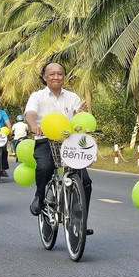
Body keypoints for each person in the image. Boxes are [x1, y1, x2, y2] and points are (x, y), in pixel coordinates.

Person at [24, 62, 93, 235]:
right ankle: (40, 197)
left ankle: (80, 220)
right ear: (45, 77)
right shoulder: (37, 96)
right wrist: (33, 125)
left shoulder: (72, 97)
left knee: (85, 181)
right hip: (45, 140)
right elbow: (30, 114)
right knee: (45, 168)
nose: (56, 77)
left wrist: (80, 119)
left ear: (64, 76)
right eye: (52, 74)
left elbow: (80, 118)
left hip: (69, 143)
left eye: (60, 74)